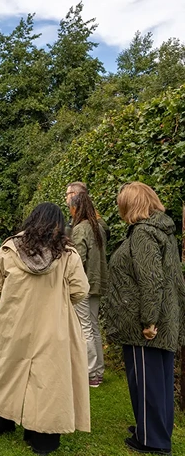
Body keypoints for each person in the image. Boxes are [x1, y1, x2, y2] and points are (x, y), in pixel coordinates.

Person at [0, 202, 90, 455]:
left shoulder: (10, 249)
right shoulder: (68, 255)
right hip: (53, 325)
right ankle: (42, 439)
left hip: (14, 322)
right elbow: (80, 289)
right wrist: (58, 301)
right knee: (49, 379)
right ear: (59, 225)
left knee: (5, 369)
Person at [105, 182, 185, 456]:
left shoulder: (143, 234)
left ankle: (151, 439)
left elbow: (152, 280)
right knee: (158, 379)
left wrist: (149, 321)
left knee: (146, 378)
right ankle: (153, 428)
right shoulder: (163, 230)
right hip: (166, 316)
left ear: (131, 205)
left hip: (147, 323)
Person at [69, 192, 108, 388]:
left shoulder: (80, 229)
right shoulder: (99, 227)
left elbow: (78, 260)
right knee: (93, 326)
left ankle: (90, 373)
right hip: (98, 282)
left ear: (76, 208)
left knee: (84, 327)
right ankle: (98, 371)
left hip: (83, 284)